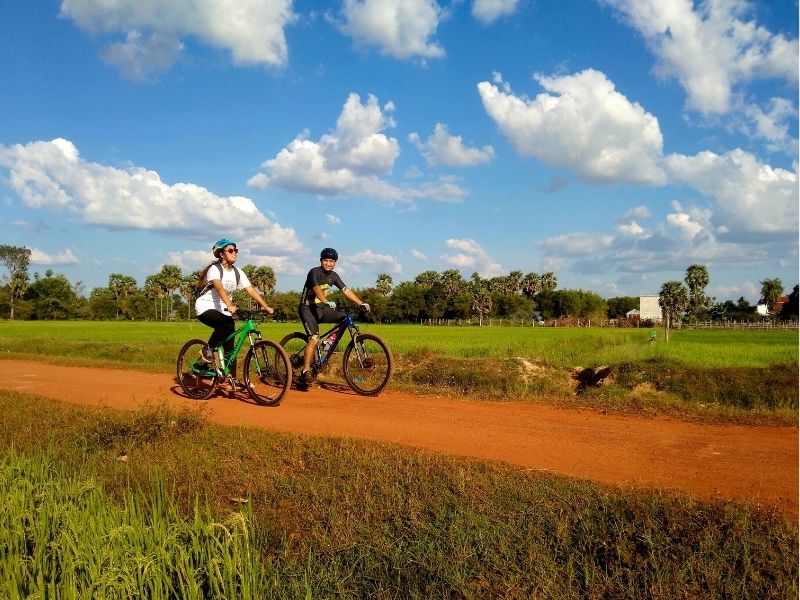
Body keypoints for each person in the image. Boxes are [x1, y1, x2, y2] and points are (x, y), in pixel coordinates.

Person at [195, 238, 274, 390]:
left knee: (231, 348)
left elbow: (250, 290)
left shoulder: (238, 272)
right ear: (221, 254)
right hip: (205, 308)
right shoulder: (215, 270)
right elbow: (219, 288)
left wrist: (265, 306)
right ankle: (207, 349)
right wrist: (230, 304)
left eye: (236, 250)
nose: (234, 253)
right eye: (230, 250)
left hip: (224, 310)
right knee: (226, 324)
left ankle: (232, 379)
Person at [297, 247, 369, 389]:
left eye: (331, 261)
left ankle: (327, 343)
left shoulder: (334, 276)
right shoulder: (314, 272)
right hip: (307, 309)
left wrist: (360, 303)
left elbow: (346, 290)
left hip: (321, 309)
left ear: (335, 263)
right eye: (326, 260)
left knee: (345, 318)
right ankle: (306, 370)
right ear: (321, 261)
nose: (328, 263)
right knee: (314, 338)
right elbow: (317, 289)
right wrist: (326, 301)